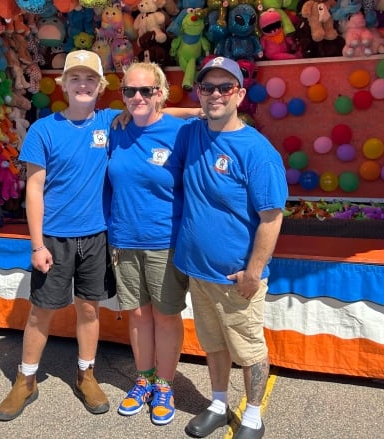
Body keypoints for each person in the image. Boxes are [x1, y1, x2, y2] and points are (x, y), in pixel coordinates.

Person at [0, 50, 122, 421]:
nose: (83, 85)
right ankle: (26, 379)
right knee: (41, 312)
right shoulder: (44, 129)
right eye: (76, 78)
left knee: (88, 308)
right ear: (64, 84)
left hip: (96, 236)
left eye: (90, 79)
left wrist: (200, 112)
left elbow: (155, 116)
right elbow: (34, 190)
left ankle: (86, 374)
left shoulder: (111, 122)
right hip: (54, 238)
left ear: (100, 87)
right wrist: (37, 245)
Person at [173, 57, 288, 439]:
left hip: (237, 277)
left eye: (226, 88)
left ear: (240, 93)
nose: (216, 94)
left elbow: (271, 218)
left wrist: (254, 271)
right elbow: (158, 111)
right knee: (214, 344)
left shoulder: (257, 151)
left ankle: (253, 414)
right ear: (199, 94)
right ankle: (219, 403)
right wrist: (129, 113)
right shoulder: (193, 132)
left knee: (249, 349)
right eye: (208, 88)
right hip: (199, 271)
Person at [107, 61, 191, 426]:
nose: (137, 97)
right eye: (130, 90)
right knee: (138, 315)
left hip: (165, 240)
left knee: (166, 315)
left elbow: (204, 114)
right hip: (123, 239)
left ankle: (166, 385)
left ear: (161, 92)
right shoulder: (114, 126)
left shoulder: (181, 131)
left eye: (147, 90)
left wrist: (188, 109)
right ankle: (144, 378)